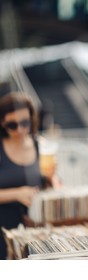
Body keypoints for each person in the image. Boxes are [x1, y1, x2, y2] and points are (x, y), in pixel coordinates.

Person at [0, 92, 44, 259]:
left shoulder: (38, 145)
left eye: (24, 123)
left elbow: (44, 184)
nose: (19, 129)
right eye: (12, 125)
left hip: (33, 231)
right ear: (2, 123)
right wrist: (18, 193)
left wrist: (52, 178)